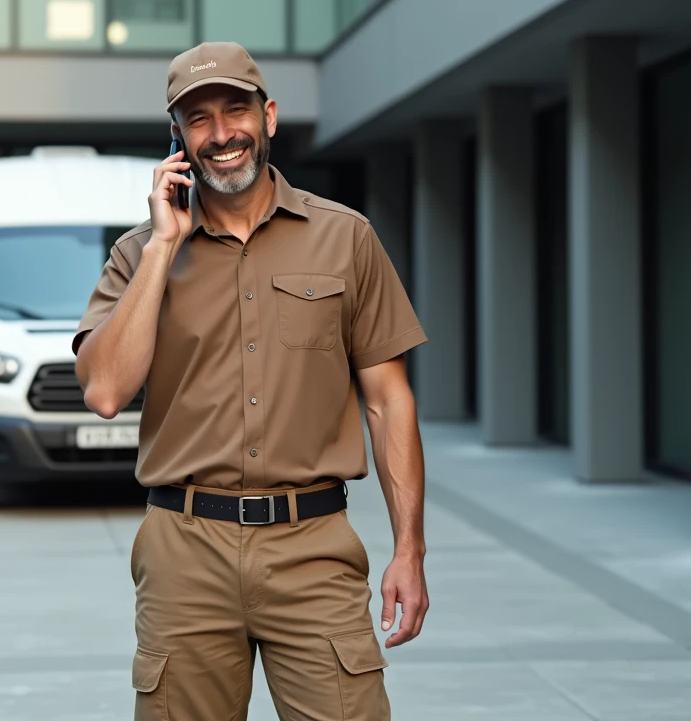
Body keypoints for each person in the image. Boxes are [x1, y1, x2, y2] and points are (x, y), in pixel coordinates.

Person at [72, 41, 430, 720]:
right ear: (176, 138)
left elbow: (388, 401)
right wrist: (161, 246)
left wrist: (409, 550)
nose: (220, 134)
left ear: (268, 116)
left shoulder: (346, 238)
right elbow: (106, 392)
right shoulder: (136, 252)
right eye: (197, 119)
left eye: (234, 110)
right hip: (185, 552)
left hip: (314, 548)